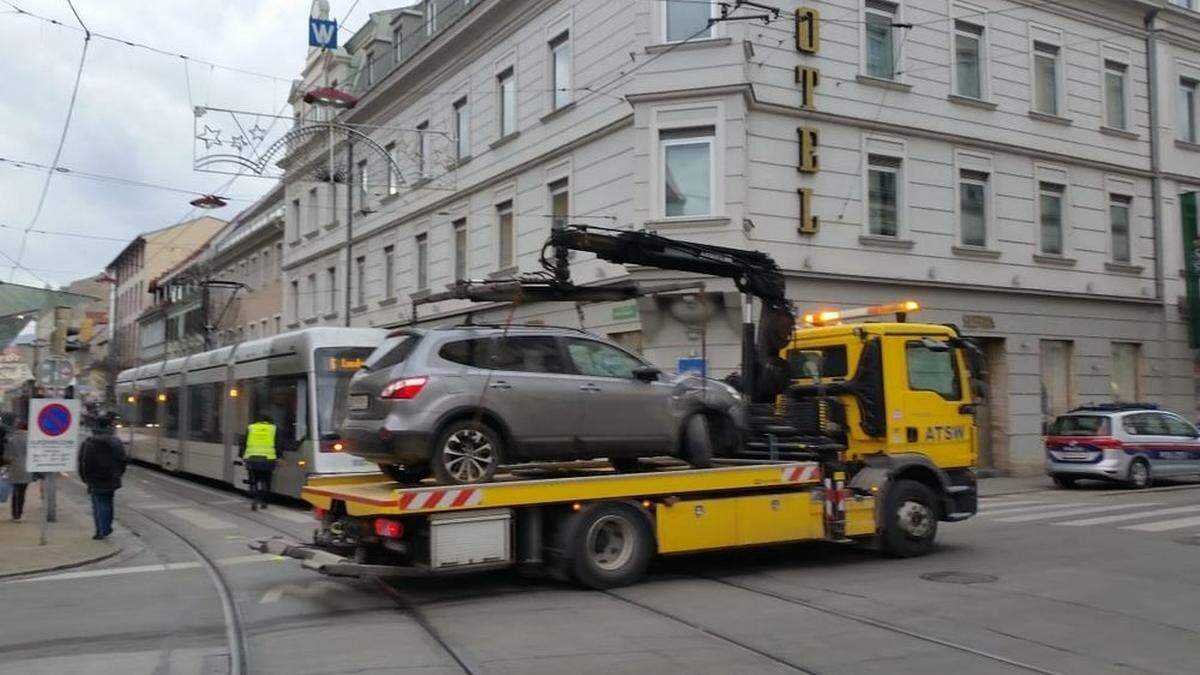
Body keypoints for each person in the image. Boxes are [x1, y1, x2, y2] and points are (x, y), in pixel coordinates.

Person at [77, 412, 128, 539]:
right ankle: (106, 527)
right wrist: (118, 474)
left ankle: (101, 530)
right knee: (108, 502)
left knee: (98, 503)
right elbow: (123, 461)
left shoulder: (89, 442)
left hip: (95, 479)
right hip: (111, 478)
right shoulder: (116, 441)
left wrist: (85, 479)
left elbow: (83, 462)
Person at [240, 413, 279, 511]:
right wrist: (279, 457)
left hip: (252, 459)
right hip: (268, 460)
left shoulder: (251, 428)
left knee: (254, 480)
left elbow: (243, 442)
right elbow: (278, 444)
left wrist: (242, 455)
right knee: (266, 480)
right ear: (269, 420)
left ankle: (255, 499)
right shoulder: (273, 429)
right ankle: (264, 502)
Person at [2, 417, 31, 521]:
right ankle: (19, 514)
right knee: (23, 492)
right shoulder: (30, 440)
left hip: (14, 468)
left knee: (15, 491)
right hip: (27, 469)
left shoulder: (11, 440)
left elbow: (6, 456)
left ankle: (14, 514)